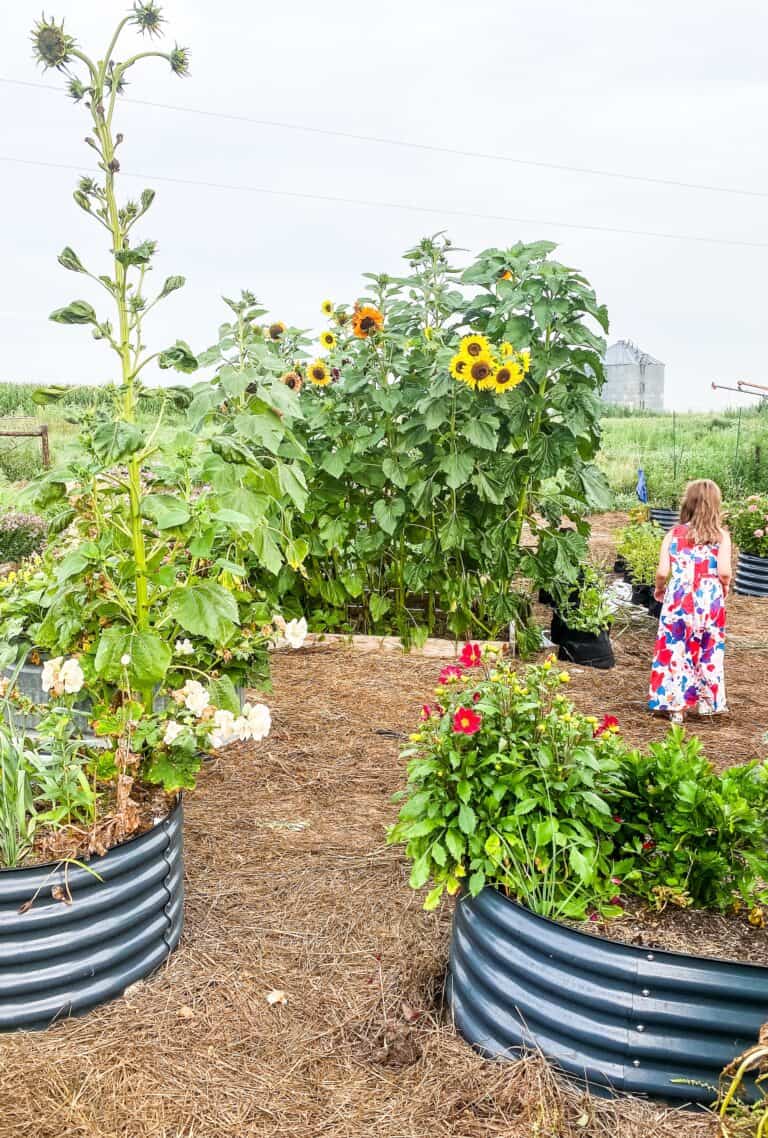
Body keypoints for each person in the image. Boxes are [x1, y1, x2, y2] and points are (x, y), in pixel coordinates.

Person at [648, 479, 731, 724]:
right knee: (709, 648)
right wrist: (723, 587)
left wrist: (659, 589)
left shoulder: (674, 534)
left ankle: (675, 708)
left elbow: (663, 571)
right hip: (709, 597)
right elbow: (724, 571)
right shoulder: (721, 536)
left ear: (688, 503)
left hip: (679, 598)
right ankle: (707, 704)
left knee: (675, 648)